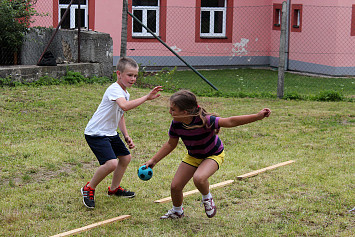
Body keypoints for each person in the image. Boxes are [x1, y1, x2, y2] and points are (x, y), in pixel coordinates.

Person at [143, 90, 271, 219]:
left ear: (185, 112)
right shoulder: (176, 124)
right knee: (175, 186)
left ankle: (207, 198)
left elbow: (231, 121)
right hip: (193, 156)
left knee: (199, 178)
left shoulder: (206, 120)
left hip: (213, 155)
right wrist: (154, 160)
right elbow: (171, 144)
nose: (170, 112)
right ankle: (177, 211)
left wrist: (257, 116)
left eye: (173, 110)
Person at [81, 57, 162, 208]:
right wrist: (146, 97)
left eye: (135, 76)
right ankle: (88, 188)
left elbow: (121, 114)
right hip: (96, 133)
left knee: (125, 158)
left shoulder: (125, 92)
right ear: (119, 73)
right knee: (111, 163)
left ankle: (113, 189)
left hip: (110, 133)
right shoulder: (114, 89)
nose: (133, 79)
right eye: (129, 75)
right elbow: (124, 106)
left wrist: (126, 135)